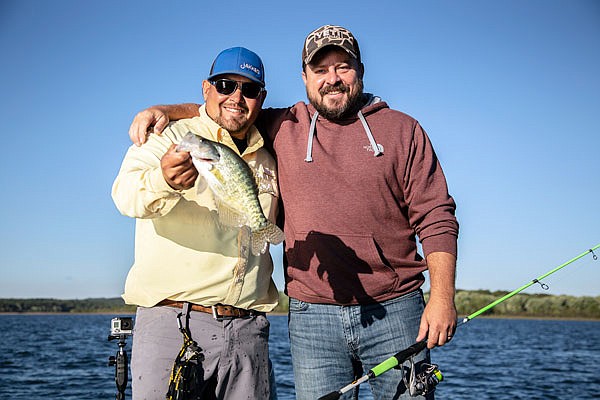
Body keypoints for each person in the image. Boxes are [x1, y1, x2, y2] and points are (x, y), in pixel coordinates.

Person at [129, 25, 459, 400]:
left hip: (397, 310)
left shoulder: (403, 130)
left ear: (360, 70)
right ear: (304, 77)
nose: (332, 79)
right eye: (320, 70)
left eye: (342, 67)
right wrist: (163, 111)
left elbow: (437, 216)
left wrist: (442, 297)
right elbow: (227, 111)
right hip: (312, 318)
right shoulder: (284, 124)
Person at [112, 47, 280, 399]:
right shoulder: (171, 136)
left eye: (249, 90)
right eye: (225, 85)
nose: (236, 97)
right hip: (173, 324)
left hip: (249, 330)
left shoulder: (270, 154)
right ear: (206, 89)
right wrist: (165, 180)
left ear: (261, 99)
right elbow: (125, 195)